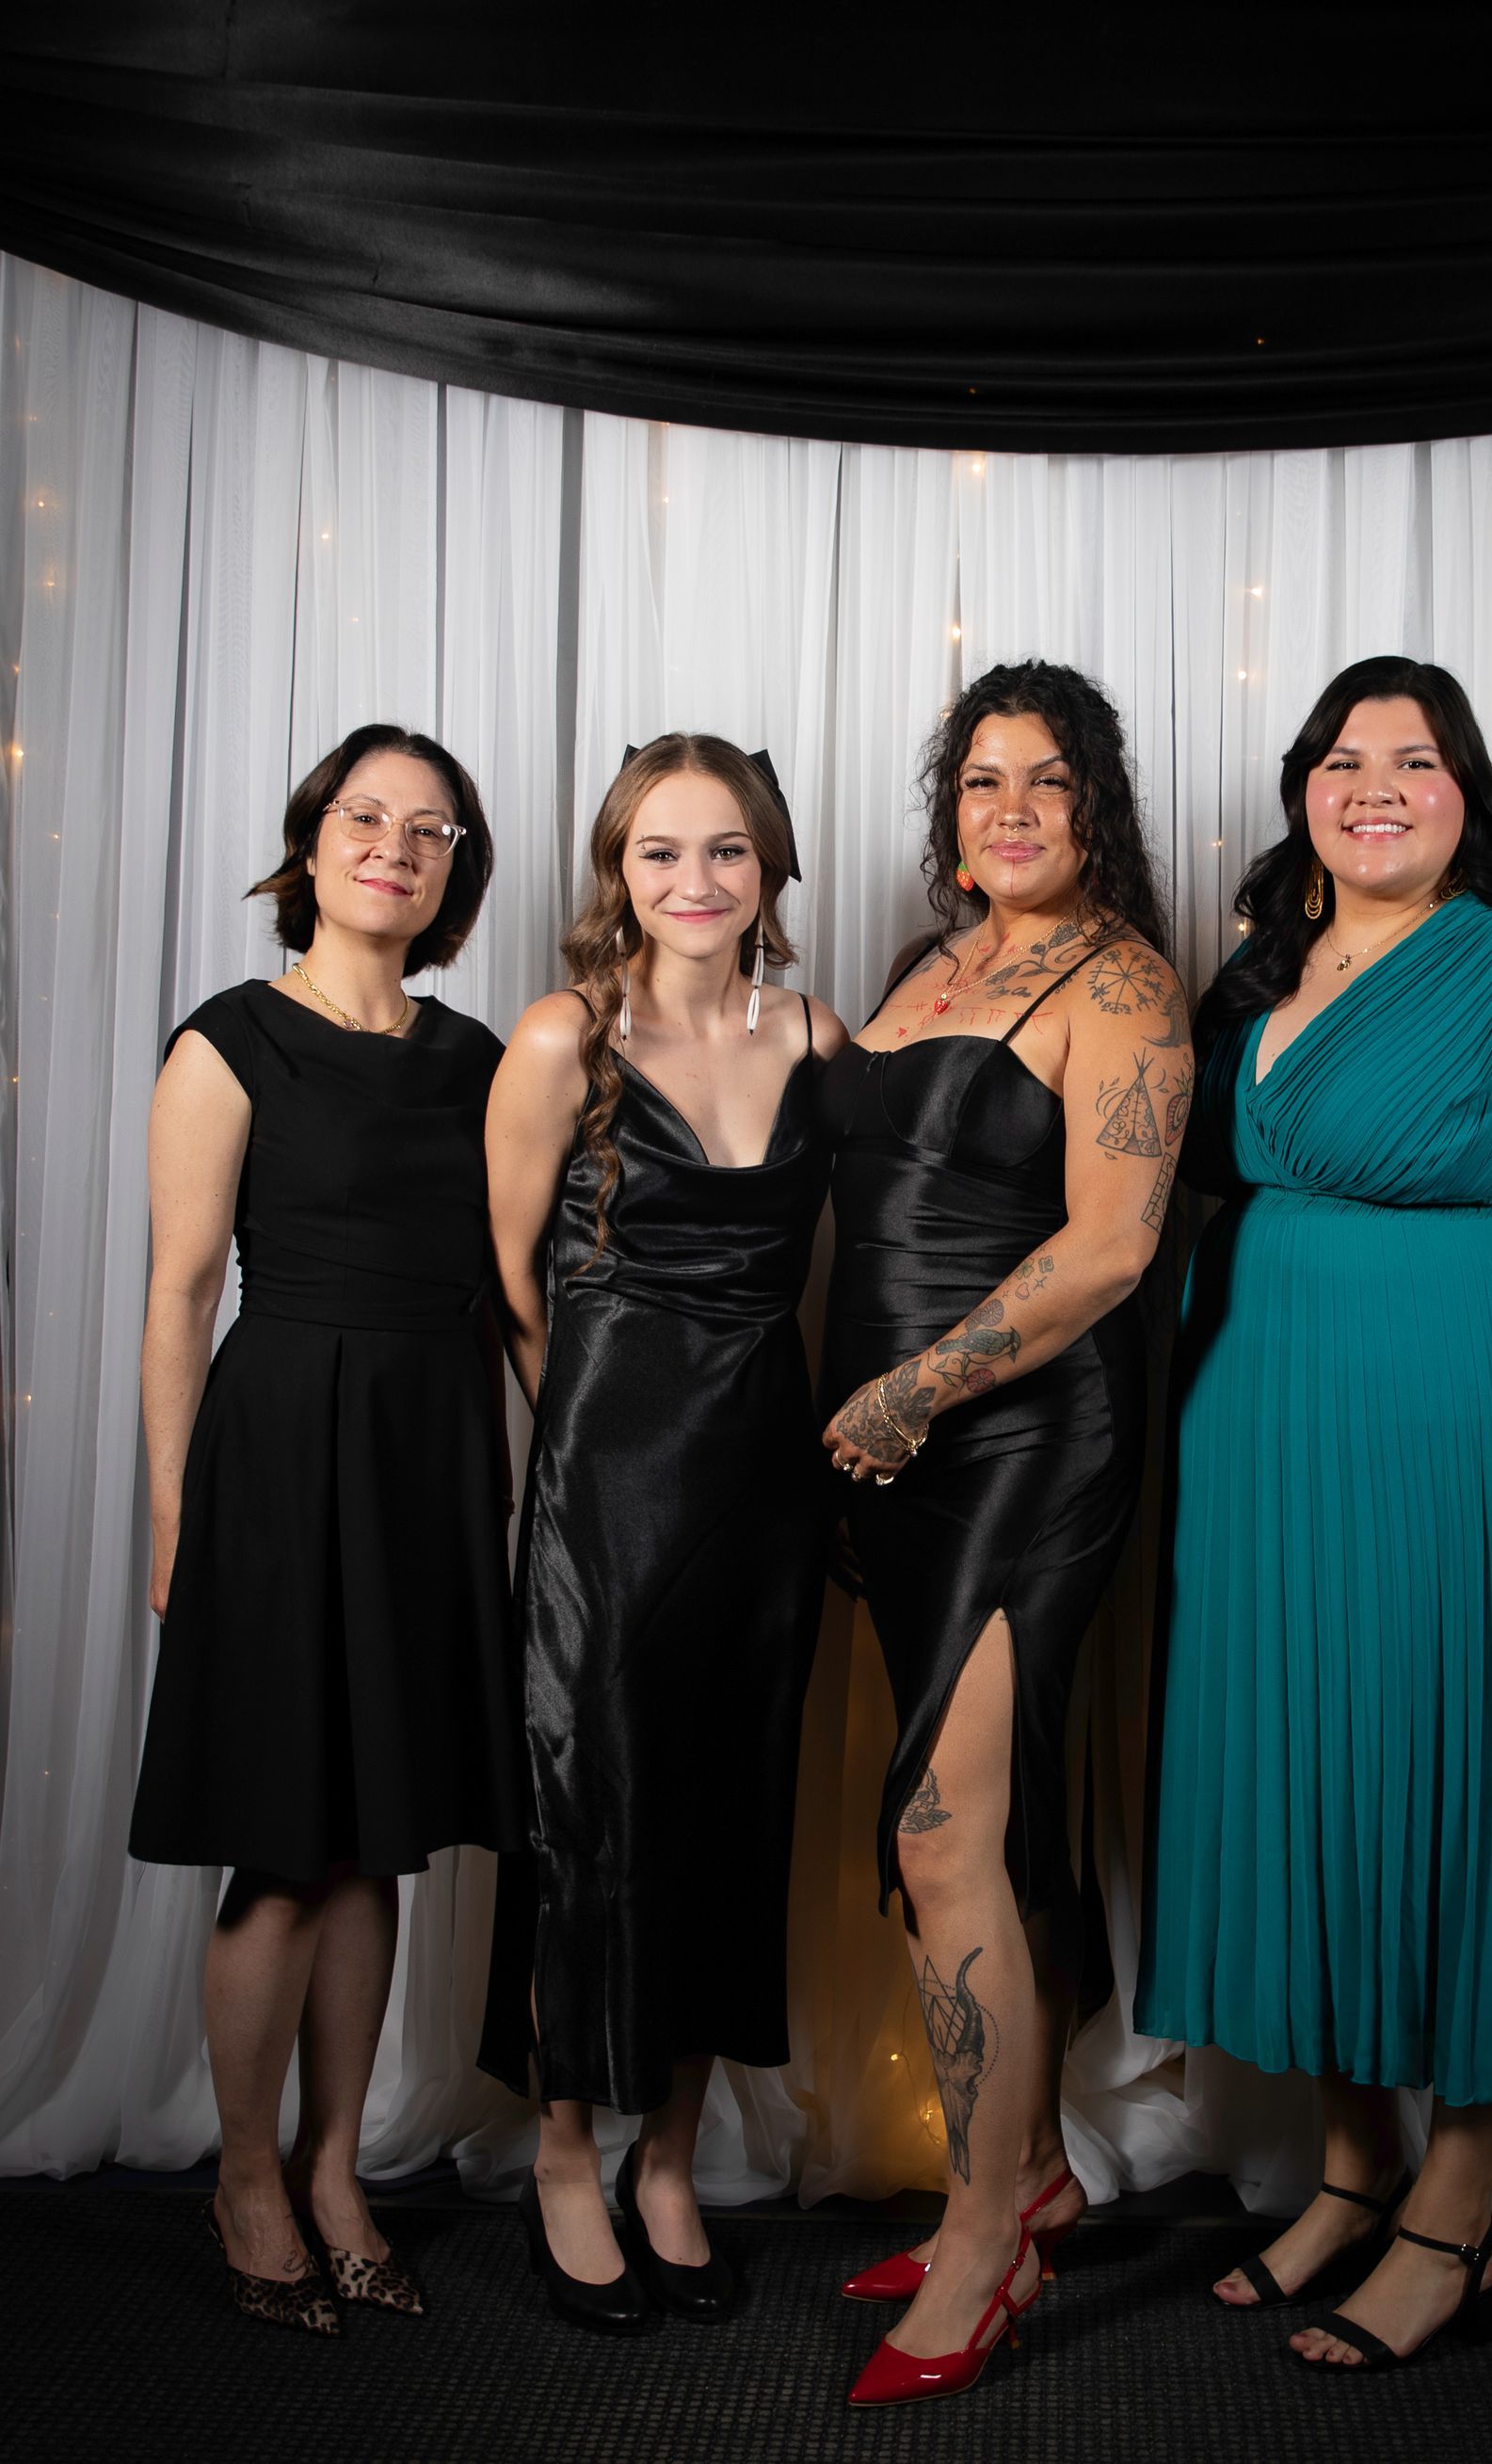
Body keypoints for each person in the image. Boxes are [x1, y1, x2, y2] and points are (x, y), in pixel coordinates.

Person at [1136, 654, 1492, 2372]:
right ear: (1303, 786)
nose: (1373, 783)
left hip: (1463, 1424)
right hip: (1267, 1429)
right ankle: (1350, 2166)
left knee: (1460, 1776)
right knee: (1312, 1771)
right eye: (1342, 757)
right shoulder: (1268, 973)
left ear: (1472, 794)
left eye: (1418, 757)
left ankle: (1457, 2221)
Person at [819, 660, 1190, 2408]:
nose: (1013, 808)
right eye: (982, 781)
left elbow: (1113, 1244)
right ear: (949, 811)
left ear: (1094, 808)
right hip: (889, 1451)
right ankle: (1024, 2164)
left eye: (1048, 781)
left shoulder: (1122, 983)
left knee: (943, 1827)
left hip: (1029, 1431)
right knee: (959, 1828)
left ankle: (985, 2242)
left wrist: (914, 1393)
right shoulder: (925, 969)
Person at [129, 723, 522, 2334]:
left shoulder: (482, 1057)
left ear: (450, 873)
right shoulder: (231, 1040)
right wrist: (173, 1513)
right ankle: (242, 2174)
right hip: (286, 1452)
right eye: (366, 816)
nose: (394, 844)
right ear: (311, 844)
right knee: (282, 1850)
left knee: (380, 1851)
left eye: (428, 829)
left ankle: (338, 2164)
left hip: (432, 1455)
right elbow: (179, 1291)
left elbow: (514, 1293)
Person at [478, 734, 845, 2333]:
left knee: (729, 1800)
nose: (694, 884)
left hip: (768, 1468)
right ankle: (568, 2151)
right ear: (616, 872)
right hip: (611, 1471)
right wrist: (586, 1457)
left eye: (726, 854)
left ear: (767, 869)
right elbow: (510, 1283)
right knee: (591, 1810)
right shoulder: (562, 1035)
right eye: (659, 854)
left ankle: (673, 2158)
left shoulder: (819, 1032)